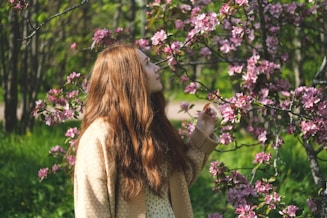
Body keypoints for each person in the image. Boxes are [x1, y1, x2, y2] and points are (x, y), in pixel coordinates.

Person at [74, 43, 219, 218]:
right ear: (129, 76)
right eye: (148, 64)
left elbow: (176, 184)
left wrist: (201, 134)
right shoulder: (99, 136)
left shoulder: (153, 127)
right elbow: (92, 210)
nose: (158, 68)